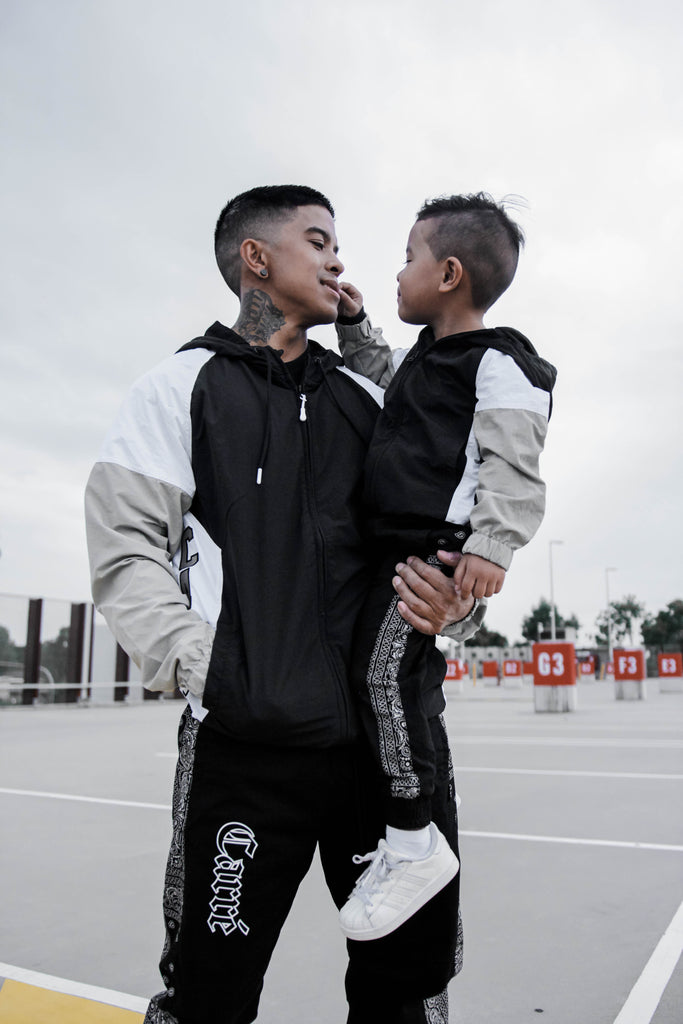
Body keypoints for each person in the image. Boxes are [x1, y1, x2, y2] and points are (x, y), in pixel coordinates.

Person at [84, 185, 484, 1024]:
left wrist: (455, 603)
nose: (338, 256)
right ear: (255, 259)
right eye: (316, 239)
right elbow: (126, 553)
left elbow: (448, 532)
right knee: (209, 997)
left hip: (387, 759)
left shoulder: (374, 398)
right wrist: (212, 671)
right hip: (244, 751)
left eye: (338, 242)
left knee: (404, 998)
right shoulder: (178, 387)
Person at [334, 193, 557, 941]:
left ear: (449, 273)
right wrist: (355, 323)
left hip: (434, 550)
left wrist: (493, 546)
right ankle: (403, 835)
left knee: (382, 678)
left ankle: (411, 841)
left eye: (407, 259)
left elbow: (513, 457)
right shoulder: (422, 360)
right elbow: (375, 368)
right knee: (378, 679)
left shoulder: (499, 361)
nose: (397, 274)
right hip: (389, 549)